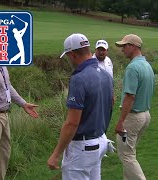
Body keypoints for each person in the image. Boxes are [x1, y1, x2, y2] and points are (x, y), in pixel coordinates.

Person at [47, 33, 114, 180]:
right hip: (100, 140)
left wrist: (56, 154)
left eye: (68, 56)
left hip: (82, 147)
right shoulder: (106, 75)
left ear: (72, 54)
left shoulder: (79, 79)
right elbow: (111, 104)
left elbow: (72, 123)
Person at [0, 48, 39, 180]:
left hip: (4, 114)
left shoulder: (1, 61)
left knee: (4, 155)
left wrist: (23, 104)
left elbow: (7, 86)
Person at [114, 34, 155, 180]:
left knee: (126, 155)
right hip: (145, 116)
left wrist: (120, 121)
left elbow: (130, 96)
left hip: (132, 118)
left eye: (124, 46)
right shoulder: (147, 65)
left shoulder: (132, 68)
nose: (122, 50)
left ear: (133, 46)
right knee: (130, 153)